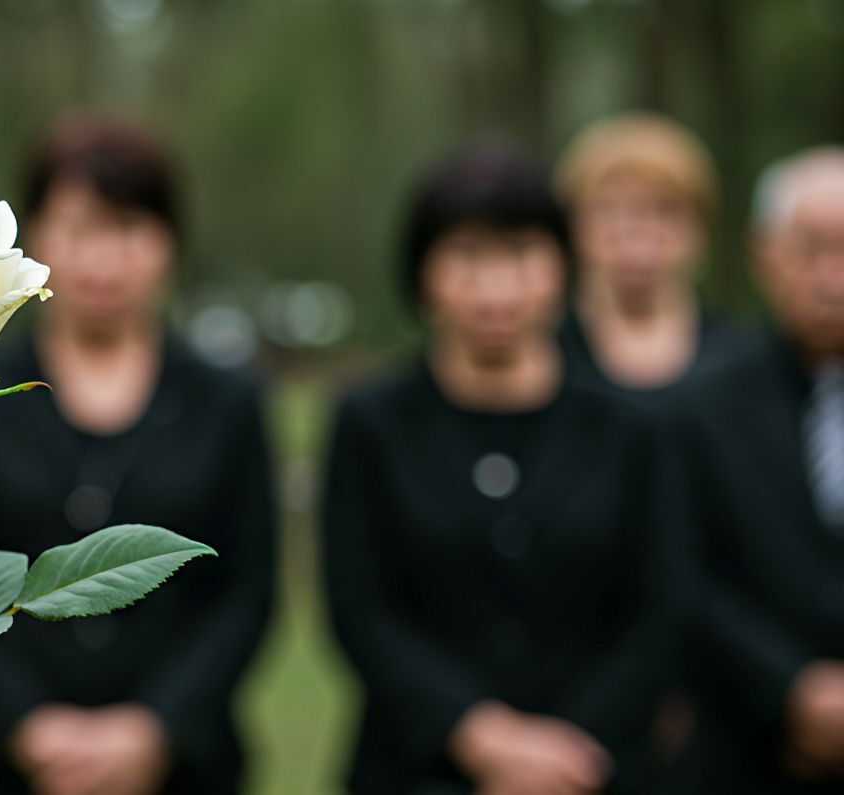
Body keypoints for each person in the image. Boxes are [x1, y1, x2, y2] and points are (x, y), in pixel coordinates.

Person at [0, 116, 276, 795]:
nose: (103, 260)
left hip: (183, 766)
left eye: (128, 229)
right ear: (35, 237)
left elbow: (247, 593)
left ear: (171, 241)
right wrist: (26, 723)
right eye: (79, 228)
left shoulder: (228, 404)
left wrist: (154, 728)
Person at [322, 145, 686, 794]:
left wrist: (561, 755)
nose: (495, 288)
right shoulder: (371, 424)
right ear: (422, 273)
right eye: (465, 257)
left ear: (561, 267)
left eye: (519, 255)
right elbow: (359, 607)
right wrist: (480, 737)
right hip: (417, 767)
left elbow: (657, 607)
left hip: (594, 770)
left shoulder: (630, 430)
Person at [673, 146, 844, 793]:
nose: (833, 276)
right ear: (762, 252)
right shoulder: (701, 407)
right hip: (745, 749)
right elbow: (684, 571)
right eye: (811, 248)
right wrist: (792, 690)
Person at [554, 112, 751, 402]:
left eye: (665, 209)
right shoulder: (541, 359)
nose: (637, 230)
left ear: (700, 229)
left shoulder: (744, 363)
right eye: (608, 210)